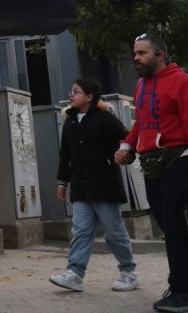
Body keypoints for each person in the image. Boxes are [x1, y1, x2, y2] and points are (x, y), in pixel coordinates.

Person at [114, 33, 188, 313]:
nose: (136, 58)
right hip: (151, 164)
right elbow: (141, 123)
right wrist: (128, 145)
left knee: (177, 229)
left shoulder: (184, 82)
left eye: (142, 53)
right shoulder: (141, 85)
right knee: (173, 229)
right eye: (135, 53)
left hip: (180, 163)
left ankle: (183, 295)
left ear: (160, 55)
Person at [48, 78, 139, 293]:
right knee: (80, 231)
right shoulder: (70, 122)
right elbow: (65, 155)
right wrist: (62, 182)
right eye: (71, 91)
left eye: (76, 91)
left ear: (89, 97)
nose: (70, 95)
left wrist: (125, 156)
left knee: (114, 232)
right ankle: (75, 274)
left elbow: (127, 143)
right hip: (81, 187)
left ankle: (128, 273)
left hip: (105, 186)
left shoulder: (106, 119)